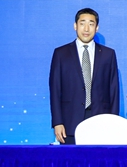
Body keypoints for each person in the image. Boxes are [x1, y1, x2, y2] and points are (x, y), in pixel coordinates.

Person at [49, 8, 120, 145]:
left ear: (97, 28)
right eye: (82, 23)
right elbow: (55, 90)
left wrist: (113, 122)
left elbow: (114, 90)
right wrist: (57, 122)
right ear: (75, 26)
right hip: (69, 122)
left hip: (101, 121)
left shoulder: (108, 54)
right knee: (71, 159)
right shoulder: (61, 54)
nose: (86, 29)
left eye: (91, 24)